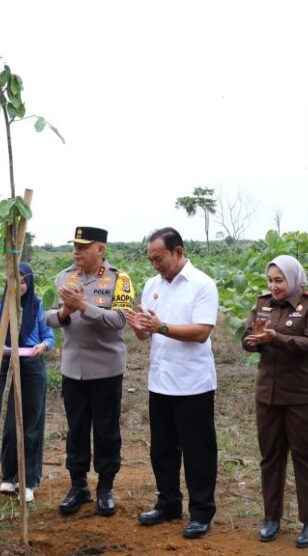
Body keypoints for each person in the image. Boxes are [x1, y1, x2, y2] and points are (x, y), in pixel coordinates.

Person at [126, 227, 219, 540]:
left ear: (178, 252)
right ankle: (168, 503)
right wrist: (140, 327)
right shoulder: (152, 285)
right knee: (162, 449)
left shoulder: (202, 284)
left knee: (197, 452)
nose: (155, 265)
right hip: (160, 381)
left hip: (193, 384)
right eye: (151, 260)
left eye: (159, 258)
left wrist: (161, 326)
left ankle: (201, 512)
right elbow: (146, 334)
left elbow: (202, 332)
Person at [45, 226, 135, 517]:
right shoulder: (64, 277)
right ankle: (78, 486)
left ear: (101, 249)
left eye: (83, 247)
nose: (76, 252)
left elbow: (119, 320)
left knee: (107, 431)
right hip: (73, 369)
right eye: (74, 246)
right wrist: (64, 312)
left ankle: (105, 488)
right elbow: (50, 318)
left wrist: (83, 306)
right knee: (76, 430)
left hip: (106, 370)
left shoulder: (120, 280)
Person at [242, 255, 308, 548]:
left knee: (305, 456)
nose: (273, 286)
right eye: (270, 280)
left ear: (294, 279)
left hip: (303, 395)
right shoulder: (263, 303)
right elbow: (248, 338)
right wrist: (252, 340)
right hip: (268, 394)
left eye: (279, 280)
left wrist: (275, 338)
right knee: (270, 456)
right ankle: (271, 518)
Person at [0, 262, 56, 503]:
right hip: (5, 365)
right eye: (14, 281)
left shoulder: (37, 306)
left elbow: (49, 338)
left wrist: (42, 346)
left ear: (29, 283)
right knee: (7, 423)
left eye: (23, 281)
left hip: (32, 366)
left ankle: (29, 481)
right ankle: (9, 476)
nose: (19, 286)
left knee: (31, 424)